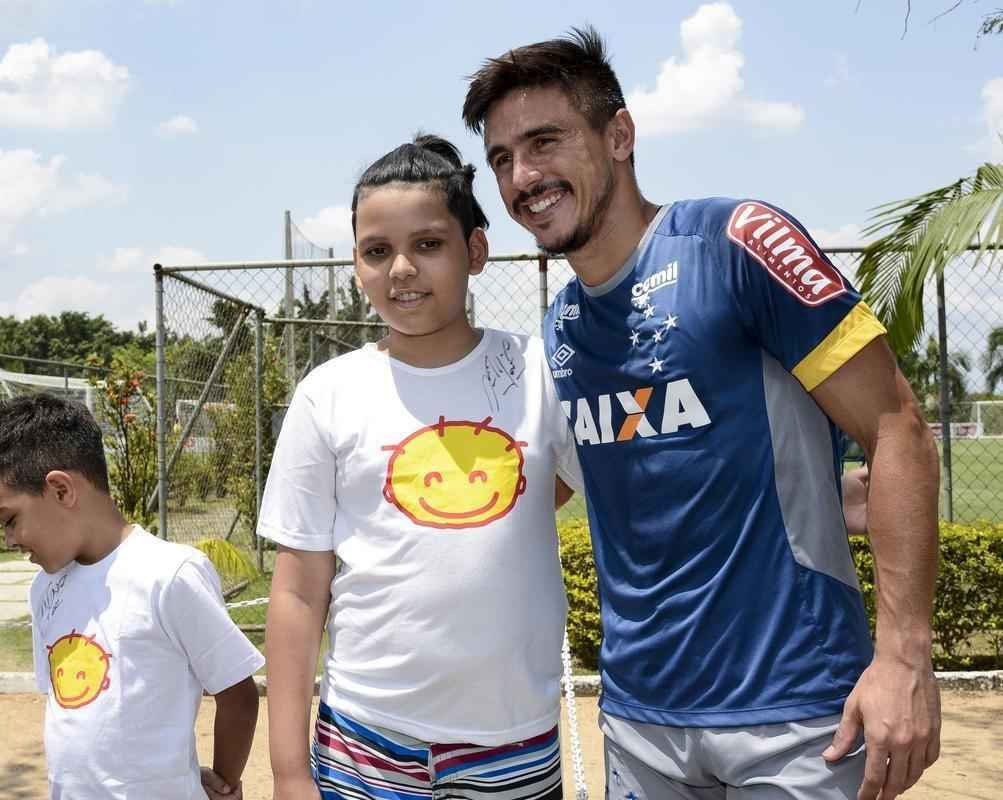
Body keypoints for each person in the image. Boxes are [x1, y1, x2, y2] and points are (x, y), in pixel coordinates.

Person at [463, 27, 941, 800]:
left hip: (795, 718)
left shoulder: (736, 244)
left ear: (618, 135)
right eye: (501, 159)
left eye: (544, 141)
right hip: (638, 725)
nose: (523, 176)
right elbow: (548, 492)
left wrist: (901, 659)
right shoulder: (558, 332)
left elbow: (898, 432)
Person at [261, 134, 582, 800]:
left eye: (428, 244)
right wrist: (289, 771)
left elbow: (552, 492)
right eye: (377, 251)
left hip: (512, 739)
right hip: (363, 739)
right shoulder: (329, 392)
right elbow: (296, 591)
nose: (401, 269)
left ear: (475, 251)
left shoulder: (538, 371)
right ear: (356, 264)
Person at [0, 393, 263, 800]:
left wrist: (224, 784)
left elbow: (238, 694)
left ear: (60, 490)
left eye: (11, 520)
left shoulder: (169, 574)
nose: (9, 539)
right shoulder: (44, 591)